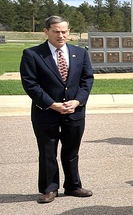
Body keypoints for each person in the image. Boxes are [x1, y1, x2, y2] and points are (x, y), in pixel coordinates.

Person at [20, 15, 95, 204]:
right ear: (46, 32)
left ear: (69, 32)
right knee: (47, 151)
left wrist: (77, 101)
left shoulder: (80, 53)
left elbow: (87, 80)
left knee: (71, 150)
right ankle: (49, 188)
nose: (61, 35)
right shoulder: (32, 54)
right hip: (46, 111)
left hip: (74, 111)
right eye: (56, 32)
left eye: (64, 31)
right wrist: (52, 104)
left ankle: (73, 186)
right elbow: (30, 84)